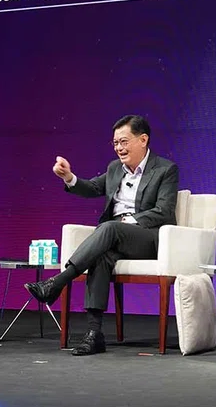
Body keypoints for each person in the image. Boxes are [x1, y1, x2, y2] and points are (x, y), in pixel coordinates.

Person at [24, 115, 179, 356]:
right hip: (114, 237)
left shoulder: (165, 169)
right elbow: (93, 187)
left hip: (148, 237)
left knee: (108, 228)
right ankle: (94, 334)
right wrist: (69, 177)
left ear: (143, 140)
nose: (119, 148)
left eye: (124, 141)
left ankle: (58, 282)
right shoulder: (115, 168)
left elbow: (164, 210)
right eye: (115, 143)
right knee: (101, 256)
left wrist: (128, 221)